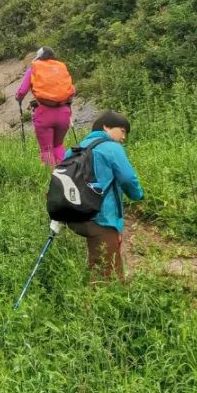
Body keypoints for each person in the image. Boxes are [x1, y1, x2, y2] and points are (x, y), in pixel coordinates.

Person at [65, 111, 144, 281]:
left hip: (74, 216)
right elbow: (128, 179)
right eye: (122, 131)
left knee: (98, 259)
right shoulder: (112, 148)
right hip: (101, 218)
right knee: (107, 274)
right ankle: (101, 303)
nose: (124, 137)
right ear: (106, 127)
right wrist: (138, 195)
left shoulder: (74, 149)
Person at [15, 47, 76, 167]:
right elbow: (72, 91)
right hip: (63, 113)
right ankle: (64, 174)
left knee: (47, 149)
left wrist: (19, 99)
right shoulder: (60, 68)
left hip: (44, 113)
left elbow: (22, 92)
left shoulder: (34, 68)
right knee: (58, 145)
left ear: (38, 58)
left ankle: (50, 178)